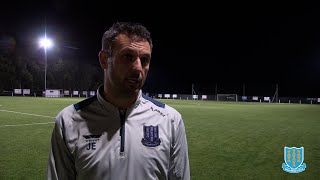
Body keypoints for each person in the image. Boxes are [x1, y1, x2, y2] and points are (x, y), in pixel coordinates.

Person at [47, 22, 190, 180]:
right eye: (128, 57)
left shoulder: (170, 120)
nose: (138, 68)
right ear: (104, 60)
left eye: (144, 59)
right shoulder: (68, 121)